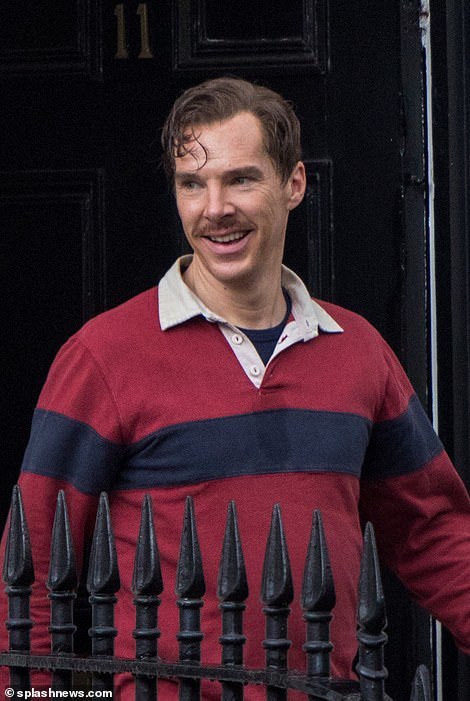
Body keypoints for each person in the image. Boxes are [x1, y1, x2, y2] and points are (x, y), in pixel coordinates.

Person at [1, 77, 470, 700]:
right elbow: (30, 568)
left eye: (241, 179)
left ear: (294, 184)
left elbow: (433, 531)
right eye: (192, 184)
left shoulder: (358, 350)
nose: (214, 208)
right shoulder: (104, 356)